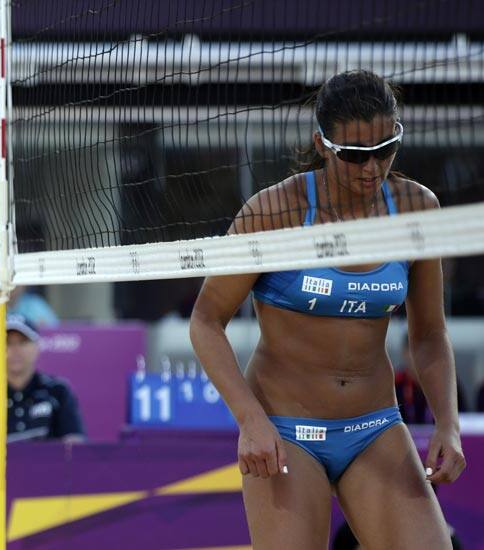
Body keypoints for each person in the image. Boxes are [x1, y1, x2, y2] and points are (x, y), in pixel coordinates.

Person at [190, 70, 465, 548]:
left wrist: (448, 422)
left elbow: (428, 335)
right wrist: (250, 421)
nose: (372, 168)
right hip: (285, 429)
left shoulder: (416, 208)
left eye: (386, 149)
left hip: (374, 425)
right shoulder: (275, 212)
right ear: (322, 143)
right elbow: (206, 321)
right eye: (356, 155)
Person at [6, 315, 84, 443]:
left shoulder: (58, 391)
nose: (16, 350)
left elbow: (74, 445)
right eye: (8, 343)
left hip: (52, 463)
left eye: (23, 342)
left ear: (37, 346)